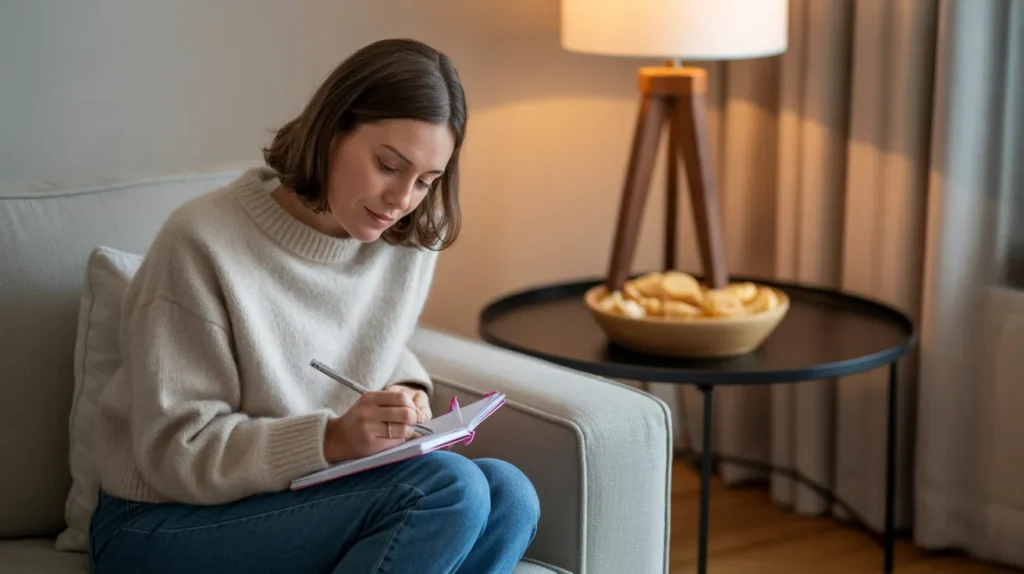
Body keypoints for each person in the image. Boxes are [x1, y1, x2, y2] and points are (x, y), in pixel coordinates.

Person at [88, 38, 540, 574]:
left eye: (426, 181)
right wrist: (330, 438)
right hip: (158, 521)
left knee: (511, 496)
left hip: (301, 497)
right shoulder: (202, 241)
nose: (402, 200)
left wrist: (405, 396)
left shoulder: (405, 242)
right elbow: (175, 452)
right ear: (330, 132)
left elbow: (382, 349)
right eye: (388, 165)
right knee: (451, 488)